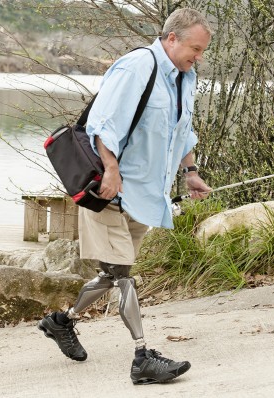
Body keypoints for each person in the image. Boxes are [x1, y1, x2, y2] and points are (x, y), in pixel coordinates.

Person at [37, 8, 212, 384]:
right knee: (123, 275)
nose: (198, 57)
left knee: (111, 273)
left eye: (201, 52)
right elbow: (103, 124)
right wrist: (111, 171)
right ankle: (143, 357)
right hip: (109, 191)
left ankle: (60, 321)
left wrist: (191, 172)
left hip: (145, 195)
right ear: (171, 39)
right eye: (194, 49)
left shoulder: (184, 77)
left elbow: (183, 131)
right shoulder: (136, 68)